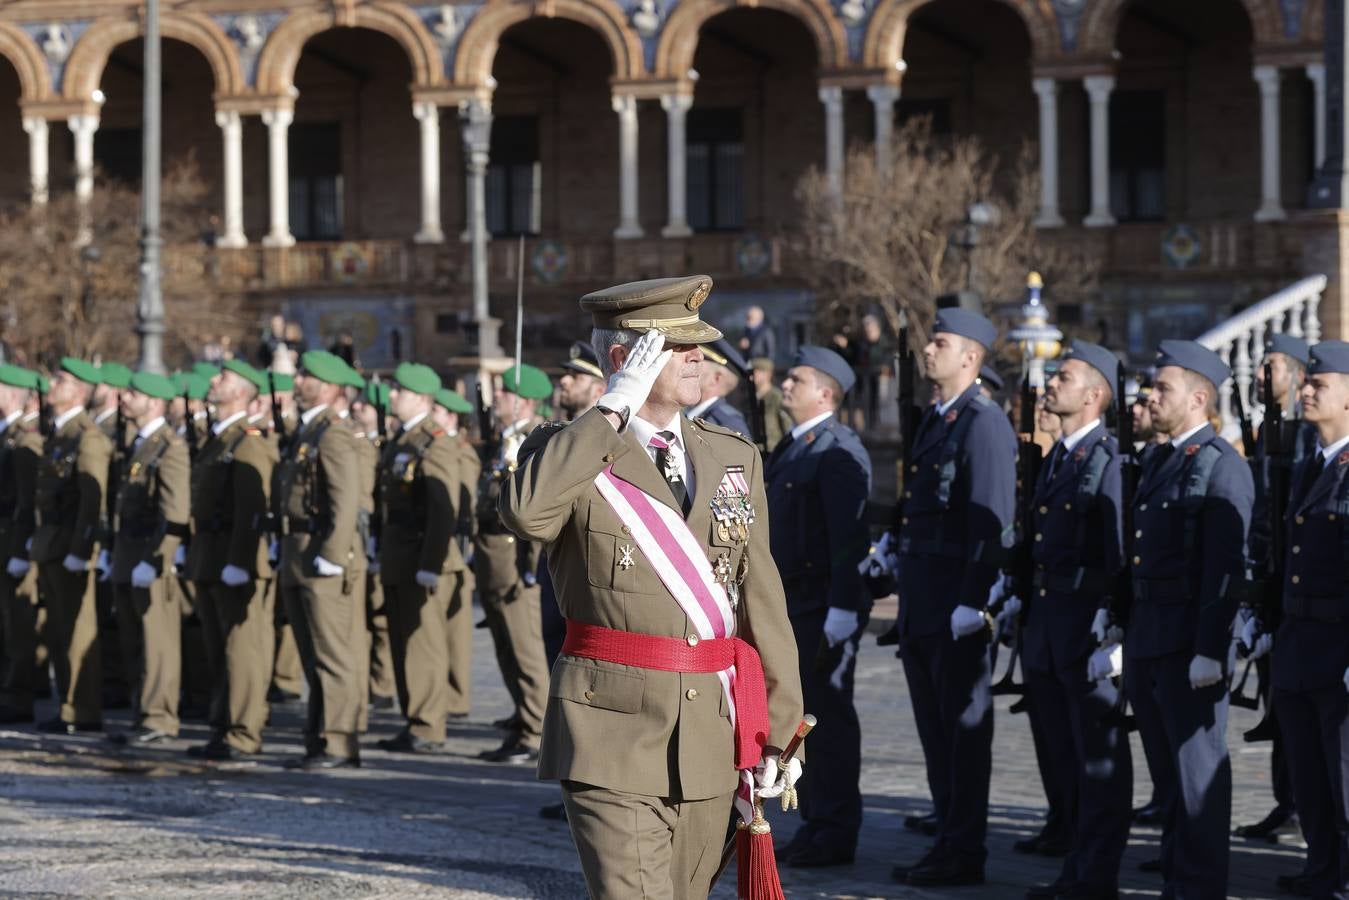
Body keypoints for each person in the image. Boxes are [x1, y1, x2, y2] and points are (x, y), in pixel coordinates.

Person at [498, 274, 803, 899]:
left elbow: (758, 595)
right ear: (624, 359)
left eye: (699, 344)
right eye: (677, 345)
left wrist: (780, 727)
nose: (698, 357)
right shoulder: (566, 451)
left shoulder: (732, 456)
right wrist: (613, 406)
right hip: (610, 734)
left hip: (711, 735)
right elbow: (528, 513)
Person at [891, 308, 1017, 886]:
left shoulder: (982, 423)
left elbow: (991, 522)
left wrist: (975, 598)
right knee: (936, 734)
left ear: (970, 357)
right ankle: (948, 837)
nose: (927, 349)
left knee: (962, 737)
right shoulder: (937, 418)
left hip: (955, 609)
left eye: (940, 342)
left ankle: (965, 851)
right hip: (922, 603)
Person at [1123, 340, 1252, 899]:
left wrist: (1211, 646)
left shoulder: (1222, 465)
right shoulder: (1162, 459)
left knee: (1198, 776)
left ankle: (1199, 886)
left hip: (1189, 647)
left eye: (1163, 388)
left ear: (1199, 398)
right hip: (1150, 636)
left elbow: (1225, 569)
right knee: (1169, 777)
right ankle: (1178, 874)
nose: (1152, 396)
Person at [1020, 341, 1132, 900]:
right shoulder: (1062, 455)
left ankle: (1096, 878)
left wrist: (1114, 631)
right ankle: (1074, 869)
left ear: (1094, 395)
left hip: (1085, 629)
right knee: (1063, 758)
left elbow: (1115, 556)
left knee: (1098, 766)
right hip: (1049, 627)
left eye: (1063, 376)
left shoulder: (1107, 459)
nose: (1050, 384)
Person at [767, 345, 871, 867]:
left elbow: (850, 537)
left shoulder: (836, 449)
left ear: (825, 393)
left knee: (826, 719)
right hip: (791, 606)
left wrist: (845, 607)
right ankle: (815, 819)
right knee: (801, 721)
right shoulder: (794, 446)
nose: (786, 385)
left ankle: (836, 828)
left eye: (797, 379)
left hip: (818, 605)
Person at [1268, 340, 1349, 898]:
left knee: (1345, 777)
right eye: (1307, 382)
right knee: (1309, 772)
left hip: (1340, 644)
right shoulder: (1309, 465)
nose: (1306, 391)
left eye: (1319, 385)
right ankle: (1322, 870)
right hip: (1299, 641)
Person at [1234, 333, 1313, 846]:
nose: (1263, 376)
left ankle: (1307, 807)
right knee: (1277, 705)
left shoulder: (1306, 434)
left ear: (1297, 376)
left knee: (1299, 712)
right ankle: (1289, 802)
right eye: (1260, 369)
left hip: (1296, 587)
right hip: (1268, 585)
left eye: (1272, 368)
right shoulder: (1268, 430)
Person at [276, 351, 364, 769]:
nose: (298, 381)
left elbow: (344, 501)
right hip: (298, 552)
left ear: (328, 386)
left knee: (333, 654)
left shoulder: (334, 433)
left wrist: (332, 553)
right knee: (312, 654)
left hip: (323, 555)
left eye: (306, 377)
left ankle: (338, 742)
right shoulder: (309, 431)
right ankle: (318, 737)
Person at [185, 360, 276, 760]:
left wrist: (241, 559)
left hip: (233, 559)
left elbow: (252, 509)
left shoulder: (248, 441)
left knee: (242, 649)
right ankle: (222, 726)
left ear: (241, 392)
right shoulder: (218, 439)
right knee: (218, 648)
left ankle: (244, 731)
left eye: (223, 377)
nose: (213, 381)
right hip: (209, 556)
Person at [376, 363, 463, 754]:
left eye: (400, 391)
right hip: (399, 555)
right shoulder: (405, 438)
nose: (393, 396)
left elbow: (444, 509)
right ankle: (414, 719)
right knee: (402, 641)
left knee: (422, 645)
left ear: (421, 399)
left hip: (423, 558)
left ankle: (428, 725)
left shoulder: (435, 440)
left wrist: (431, 563)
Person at [107, 372, 190, 745]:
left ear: (155, 402)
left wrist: (157, 560)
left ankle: (159, 717)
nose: (125, 399)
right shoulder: (140, 444)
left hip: (150, 559)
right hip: (128, 555)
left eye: (134, 394)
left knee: (157, 644)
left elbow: (174, 513)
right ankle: (144, 713)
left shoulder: (168, 447)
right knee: (135, 642)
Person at [474, 363, 552, 764]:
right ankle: (522, 720)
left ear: (523, 401)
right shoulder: (502, 440)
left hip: (515, 557)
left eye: (504, 394)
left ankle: (535, 728)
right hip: (493, 557)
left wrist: (530, 566)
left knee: (525, 652)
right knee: (505, 648)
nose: (497, 400)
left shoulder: (531, 443)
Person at [31, 359, 112, 734]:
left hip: (69, 547)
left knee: (77, 632)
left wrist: (82, 550)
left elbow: (91, 501)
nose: (52, 384)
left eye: (60, 380)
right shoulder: (61, 434)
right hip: (51, 544)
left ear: (79, 390)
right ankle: (67, 705)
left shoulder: (87, 436)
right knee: (60, 631)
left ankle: (81, 709)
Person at [0, 365, 45, 724]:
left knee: (17, 622)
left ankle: (18, 696)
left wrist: (20, 549)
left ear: (13, 394)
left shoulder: (25, 439)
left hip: (12, 540)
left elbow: (28, 502)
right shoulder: (8, 434)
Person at [432, 385, 478, 721]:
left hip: (455, 550)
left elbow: (464, 505)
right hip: (449, 548)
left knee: (453, 632)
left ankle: (456, 697)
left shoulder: (459, 452)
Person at [686, 338, 751, 436]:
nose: (688, 366)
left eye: (697, 362)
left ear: (716, 378)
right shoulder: (691, 415)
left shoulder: (728, 426)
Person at [557, 342, 606, 421]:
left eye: (575, 377)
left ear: (599, 391)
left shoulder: (610, 433)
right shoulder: (558, 430)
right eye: (567, 374)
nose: (564, 380)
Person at [752, 358, 792, 451]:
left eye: (758, 371)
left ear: (768, 374)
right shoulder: (749, 398)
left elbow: (787, 427)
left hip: (771, 452)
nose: (753, 375)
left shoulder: (776, 397)